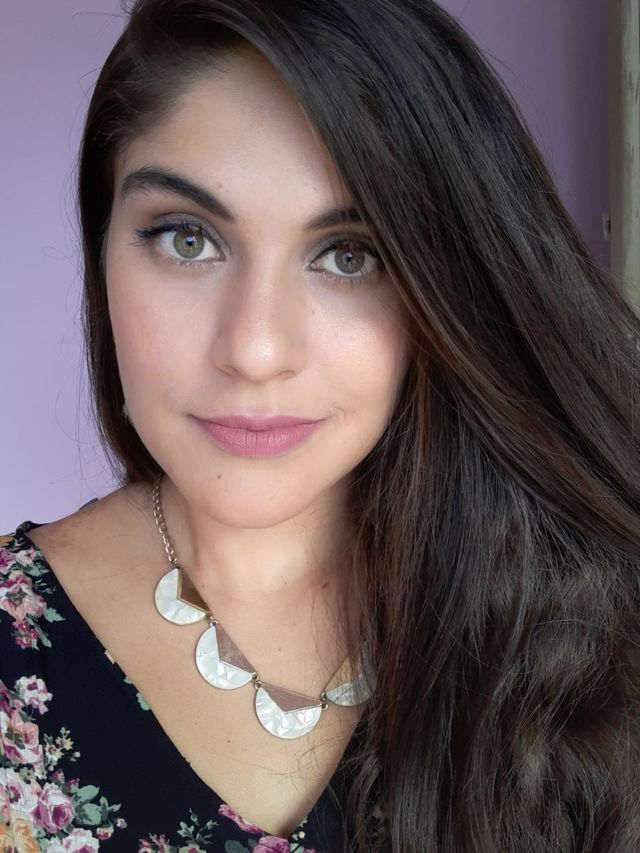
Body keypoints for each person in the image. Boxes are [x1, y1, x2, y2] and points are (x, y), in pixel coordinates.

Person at [2, 0, 640, 851]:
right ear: (103, 249)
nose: (256, 349)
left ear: (444, 289)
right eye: (188, 239)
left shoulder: (600, 631)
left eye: (349, 254)